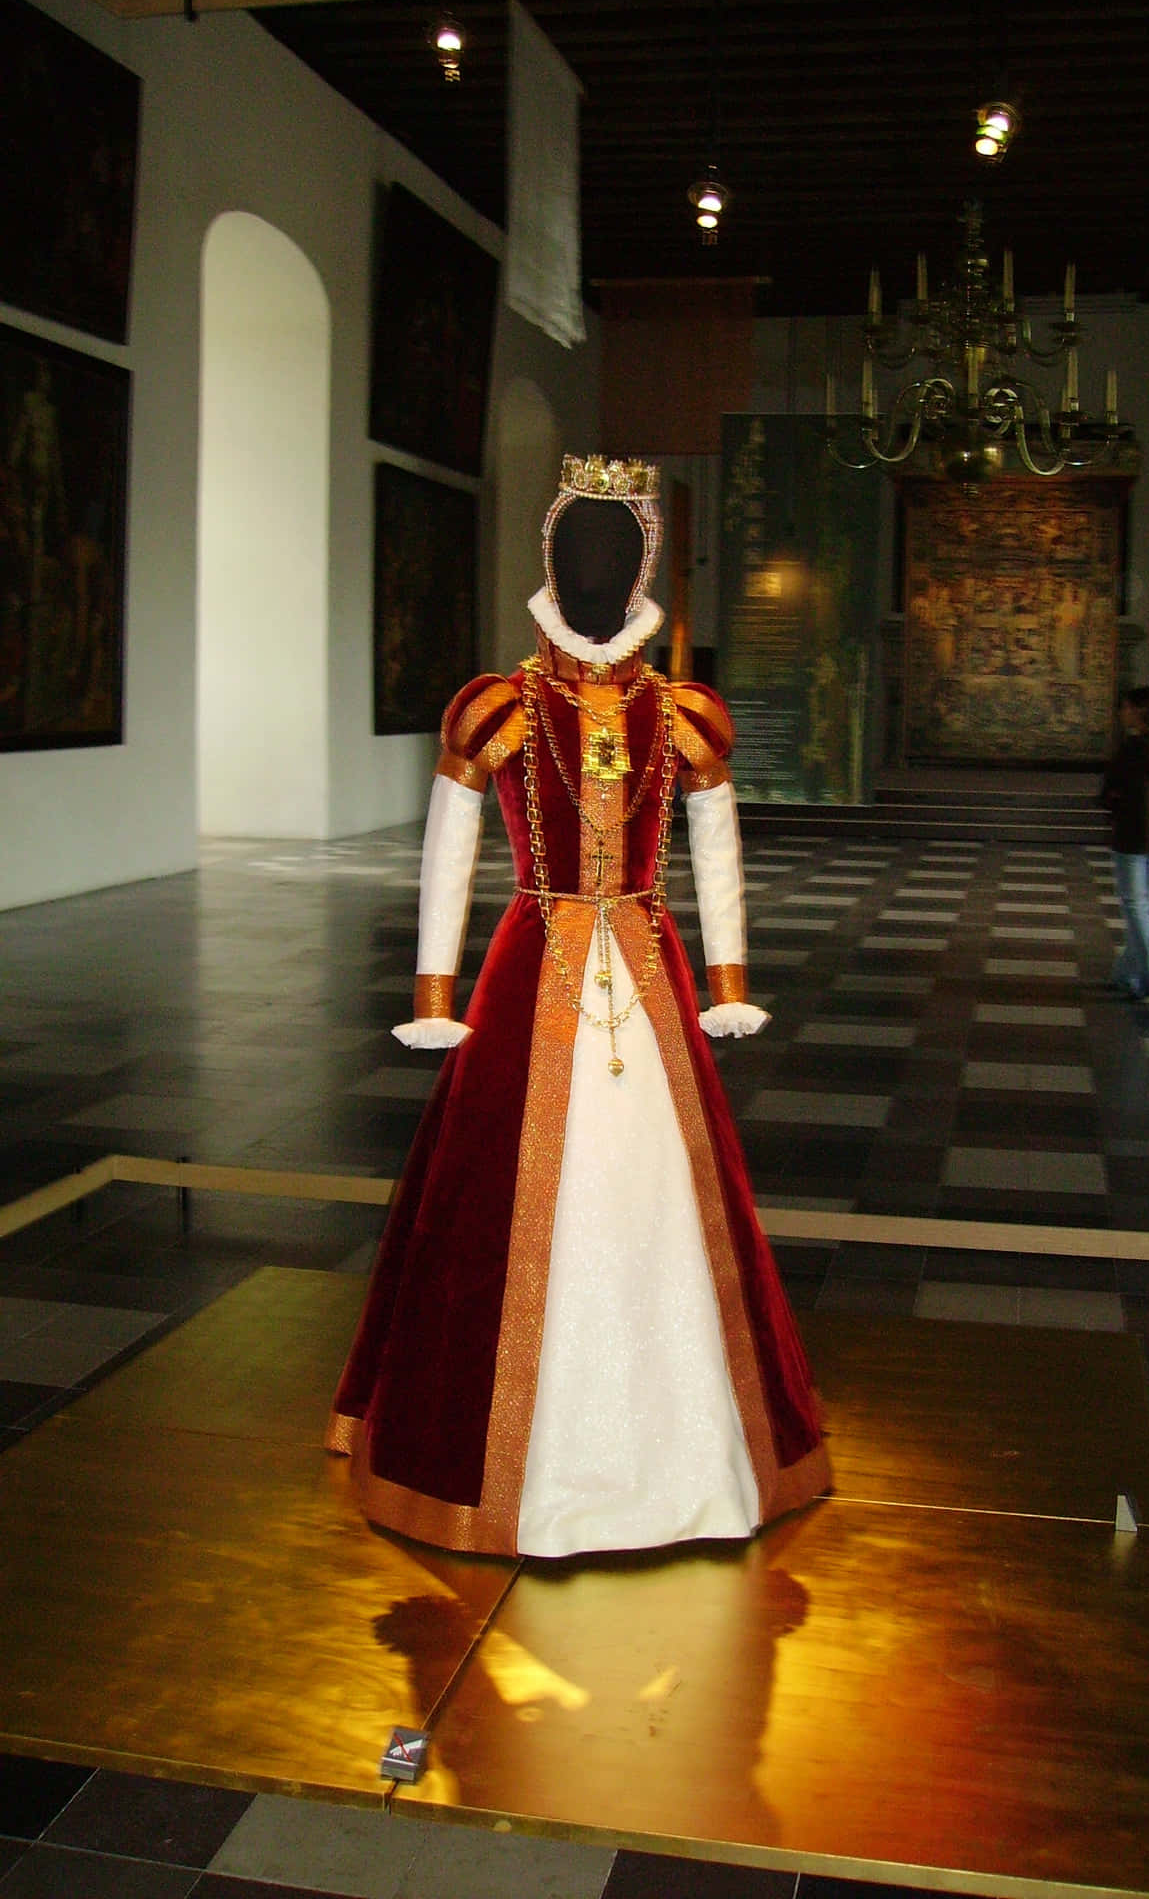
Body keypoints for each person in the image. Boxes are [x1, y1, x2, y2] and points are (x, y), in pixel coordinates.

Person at [326, 454, 831, 1559]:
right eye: (579, 546)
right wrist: (435, 990)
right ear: (551, 559)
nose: (595, 567)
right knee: (495, 1196)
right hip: (532, 960)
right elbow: (450, 848)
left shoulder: (684, 712)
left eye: (616, 548)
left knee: (669, 1191)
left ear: (644, 564)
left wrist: (730, 981)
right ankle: (498, 1453)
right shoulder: (499, 706)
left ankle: (686, 1449)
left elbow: (718, 845)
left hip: (648, 962)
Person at [1100, 685, 1149, 1000]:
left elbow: (1112, 787)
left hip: (1132, 835)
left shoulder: (1132, 748)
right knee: (1146, 908)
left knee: (1134, 906)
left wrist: (1110, 801)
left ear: (1139, 710)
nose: (1122, 711)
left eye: (1126, 706)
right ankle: (1125, 975)